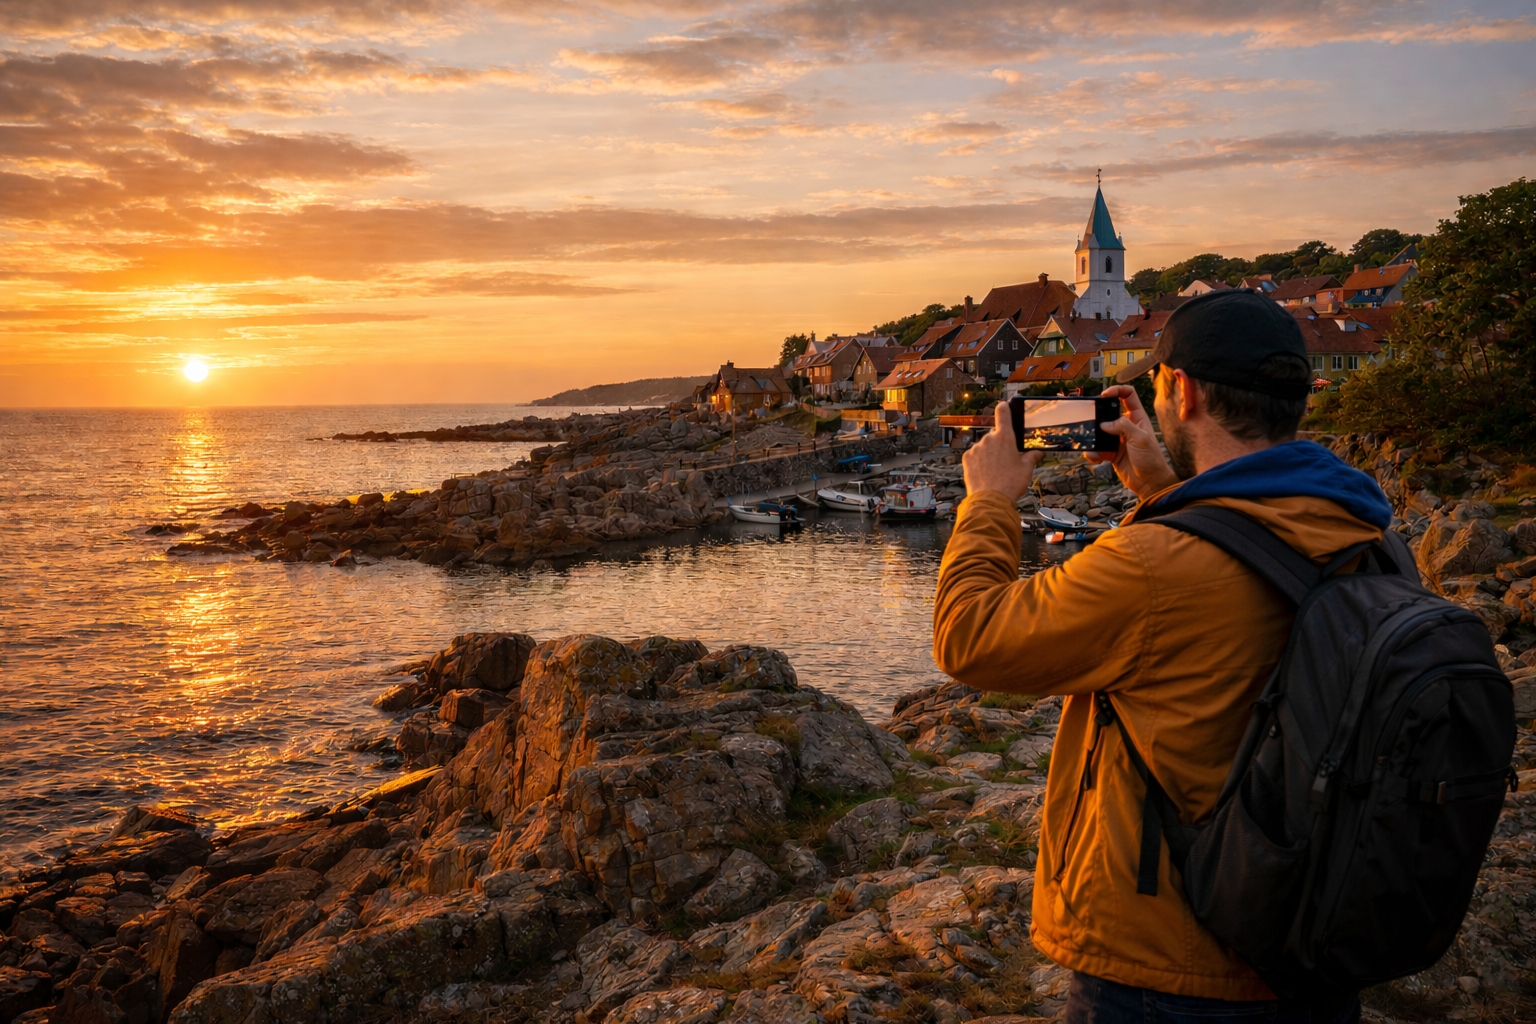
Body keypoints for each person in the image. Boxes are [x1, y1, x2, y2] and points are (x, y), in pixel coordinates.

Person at [934, 289, 1393, 1023]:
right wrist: (1160, 487)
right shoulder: (1364, 530)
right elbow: (1235, 584)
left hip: (1169, 967)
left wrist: (990, 500)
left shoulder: (1156, 563)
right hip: (1313, 942)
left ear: (1181, 391)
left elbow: (969, 636)